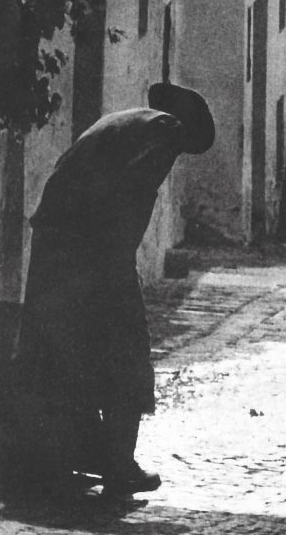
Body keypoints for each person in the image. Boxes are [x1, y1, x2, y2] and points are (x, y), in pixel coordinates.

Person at [12, 83, 214, 496]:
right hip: (92, 244)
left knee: (62, 344)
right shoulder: (167, 131)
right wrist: (117, 261)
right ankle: (118, 464)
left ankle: (63, 456)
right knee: (127, 351)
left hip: (56, 233)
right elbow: (128, 191)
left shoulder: (128, 122)